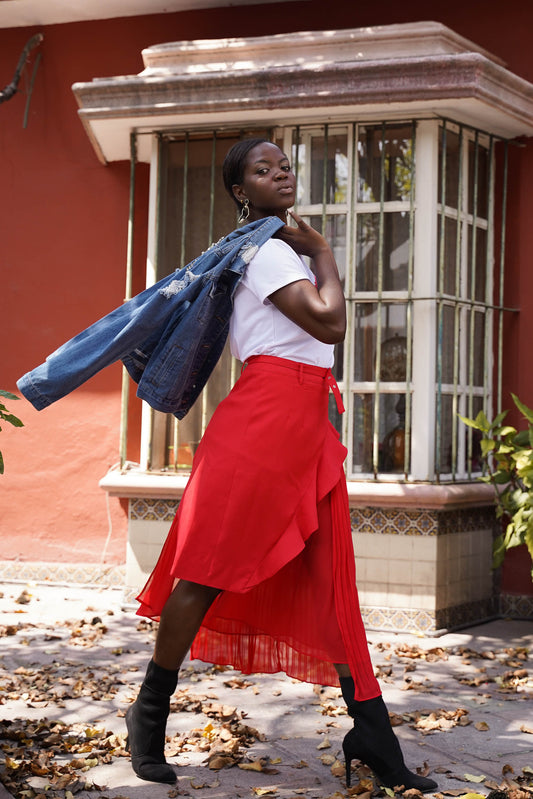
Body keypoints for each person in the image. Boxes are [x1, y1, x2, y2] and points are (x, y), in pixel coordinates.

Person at [125, 138, 438, 793]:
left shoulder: (274, 250)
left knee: (332, 585)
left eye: (283, 163)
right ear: (241, 191)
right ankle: (147, 716)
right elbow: (328, 324)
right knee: (206, 569)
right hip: (264, 423)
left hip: (306, 426)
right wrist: (323, 251)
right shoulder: (265, 249)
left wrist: (314, 253)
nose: (280, 172)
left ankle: (372, 736)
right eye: (262, 169)